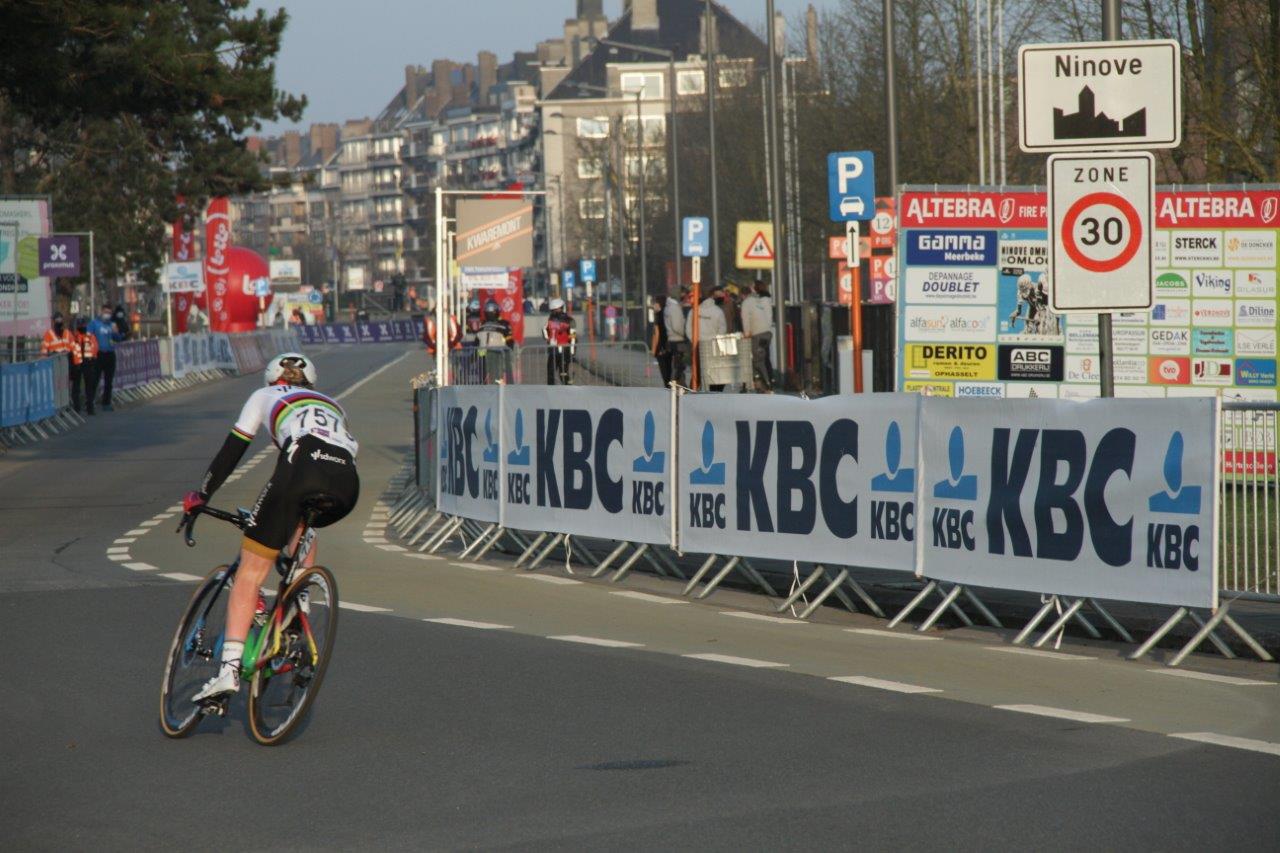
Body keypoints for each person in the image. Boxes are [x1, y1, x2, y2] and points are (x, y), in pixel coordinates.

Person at [183, 353, 360, 702]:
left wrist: (201, 495)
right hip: (347, 483)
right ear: (311, 382)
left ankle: (227, 672)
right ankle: (299, 600)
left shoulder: (264, 395)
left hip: (302, 467)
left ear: (272, 378)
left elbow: (233, 450)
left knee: (250, 572)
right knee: (304, 518)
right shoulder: (332, 403)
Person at [87, 306, 125, 411]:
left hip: (110, 354)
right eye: (105, 312)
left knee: (109, 381)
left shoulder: (112, 324)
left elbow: (118, 339)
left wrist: (117, 332)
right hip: (98, 354)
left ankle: (106, 403)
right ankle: (90, 402)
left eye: (109, 313)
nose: (107, 315)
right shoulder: (94, 324)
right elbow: (88, 337)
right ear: (101, 312)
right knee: (94, 379)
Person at [740, 279, 775, 391]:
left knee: (758, 360)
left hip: (757, 334)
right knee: (763, 358)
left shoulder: (746, 303)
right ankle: (764, 382)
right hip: (767, 334)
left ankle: (766, 384)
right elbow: (768, 316)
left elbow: (745, 319)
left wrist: (746, 333)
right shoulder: (760, 301)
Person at [698, 286, 728, 391]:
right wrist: (718, 340)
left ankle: (705, 388)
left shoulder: (697, 310)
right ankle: (714, 389)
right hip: (715, 343)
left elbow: (690, 328)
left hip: (703, 343)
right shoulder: (718, 310)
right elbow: (723, 328)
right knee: (715, 368)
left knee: (704, 368)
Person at [476, 300, 514, 383]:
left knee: (484, 376)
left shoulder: (482, 326)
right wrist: (510, 352)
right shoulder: (503, 325)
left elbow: (476, 342)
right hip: (497, 353)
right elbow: (510, 341)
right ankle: (501, 386)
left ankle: (486, 386)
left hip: (483, 354)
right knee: (497, 375)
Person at [543, 298, 576, 385]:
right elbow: (544, 330)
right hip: (555, 350)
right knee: (552, 372)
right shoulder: (551, 320)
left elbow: (573, 337)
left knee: (561, 372)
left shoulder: (569, 320)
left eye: (556, 309)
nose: (555, 311)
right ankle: (552, 389)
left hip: (562, 349)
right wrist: (548, 339)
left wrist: (572, 352)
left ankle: (567, 387)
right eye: (554, 310)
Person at [73, 316, 100, 415]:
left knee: (89, 386)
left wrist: (93, 359)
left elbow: (95, 348)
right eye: (80, 324)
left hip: (88, 363)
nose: (81, 326)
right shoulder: (75, 337)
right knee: (76, 387)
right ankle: (77, 408)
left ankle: (90, 407)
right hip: (77, 363)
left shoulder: (90, 336)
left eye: (83, 324)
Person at [663, 290, 688, 385]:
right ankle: (678, 384)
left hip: (671, 339)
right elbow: (677, 326)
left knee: (676, 364)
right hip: (678, 339)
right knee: (679, 365)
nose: (684, 297)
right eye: (683, 295)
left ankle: (676, 383)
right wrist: (684, 334)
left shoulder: (668, 307)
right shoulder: (675, 308)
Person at [647, 294, 671, 387]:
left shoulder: (659, 315)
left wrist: (653, 350)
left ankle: (669, 389)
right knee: (670, 372)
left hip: (661, 348)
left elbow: (656, 334)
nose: (653, 306)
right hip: (669, 346)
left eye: (655, 303)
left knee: (665, 374)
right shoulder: (668, 314)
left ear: (659, 304)